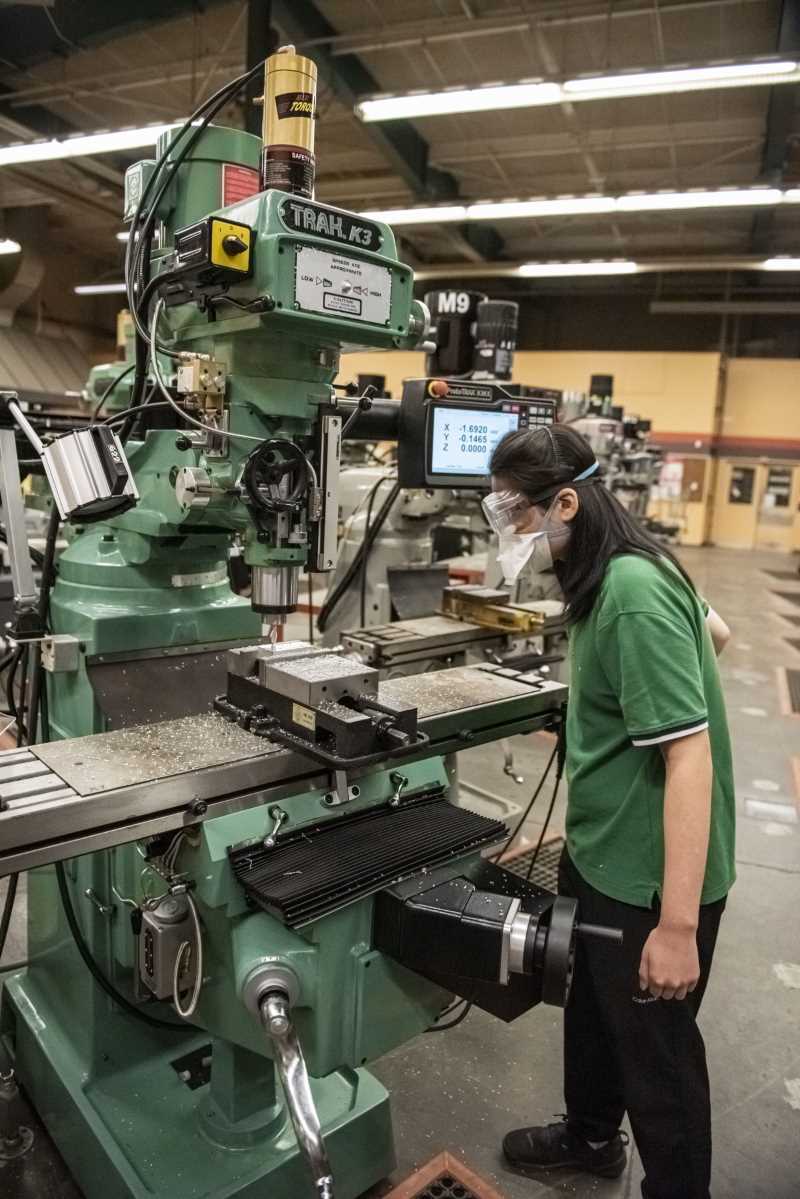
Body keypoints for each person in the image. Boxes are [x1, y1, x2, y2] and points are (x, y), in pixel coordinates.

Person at [484, 424, 735, 1199]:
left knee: (659, 1061)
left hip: (650, 882)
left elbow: (689, 758)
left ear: (565, 501)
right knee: (594, 1015)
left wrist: (678, 925)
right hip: (602, 855)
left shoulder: (630, 591)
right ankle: (590, 1138)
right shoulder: (620, 566)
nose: (515, 533)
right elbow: (715, 634)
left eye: (519, 516)